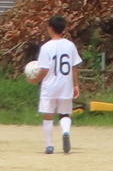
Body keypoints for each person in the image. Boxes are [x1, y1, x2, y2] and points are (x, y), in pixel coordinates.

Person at [32, 14, 81, 156]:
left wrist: (35, 79)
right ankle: (65, 132)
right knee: (64, 114)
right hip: (66, 84)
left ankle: (49, 146)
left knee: (48, 116)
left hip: (50, 86)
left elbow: (45, 69)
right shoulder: (70, 45)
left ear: (50, 28)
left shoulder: (46, 47)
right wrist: (76, 85)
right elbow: (74, 66)